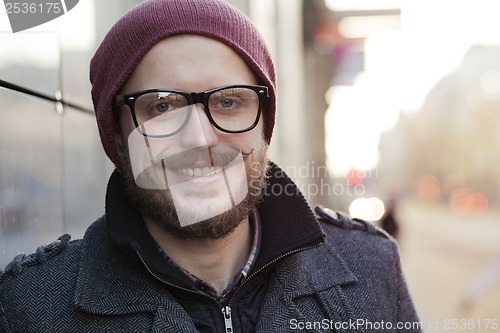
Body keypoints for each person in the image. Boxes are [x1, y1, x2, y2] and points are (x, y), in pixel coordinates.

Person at [0, 0, 421, 331]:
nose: (200, 138)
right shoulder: (29, 308)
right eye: (162, 106)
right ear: (115, 136)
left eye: (229, 101)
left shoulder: (372, 268)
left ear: (264, 126)